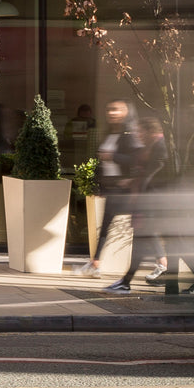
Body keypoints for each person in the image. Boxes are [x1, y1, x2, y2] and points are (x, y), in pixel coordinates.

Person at [73, 99, 142, 283]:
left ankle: (162, 262)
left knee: (143, 227)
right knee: (105, 226)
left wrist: (113, 156)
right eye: (109, 109)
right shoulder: (110, 134)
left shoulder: (129, 135)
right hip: (113, 188)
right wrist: (99, 185)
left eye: (116, 110)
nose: (112, 113)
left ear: (126, 113)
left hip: (126, 189)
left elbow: (136, 160)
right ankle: (95, 264)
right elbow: (101, 164)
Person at [107, 116, 171, 292]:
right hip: (148, 203)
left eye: (140, 131)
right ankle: (125, 281)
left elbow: (154, 175)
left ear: (150, 130)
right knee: (141, 243)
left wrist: (139, 187)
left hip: (152, 203)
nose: (137, 134)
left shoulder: (160, 146)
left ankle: (126, 282)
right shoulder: (152, 146)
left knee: (142, 244)